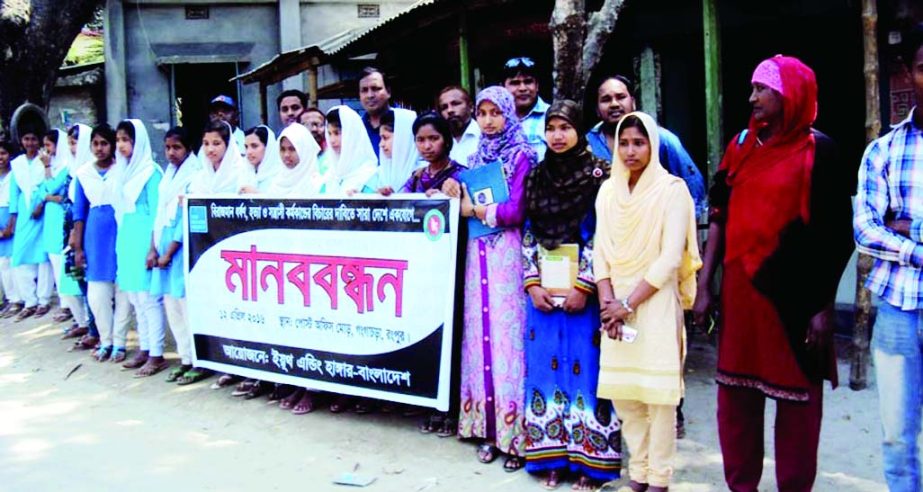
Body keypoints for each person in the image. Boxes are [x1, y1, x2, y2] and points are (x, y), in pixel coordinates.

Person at [693, 56, 854, 492]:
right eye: (752, 89)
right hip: (742, 296)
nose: (753, 98)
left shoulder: (820, 151)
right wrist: (705, 285)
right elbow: (720, 216)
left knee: (798, 408)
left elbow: (836, 237)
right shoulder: (742, 144)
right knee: (737, 404)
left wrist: (824, 308)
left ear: (790, 94)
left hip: (794, 301)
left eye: (762, 89)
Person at [594, 112, 701, 492]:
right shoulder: (608, 191)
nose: (630, 151)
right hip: (614, 307)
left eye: (639, 143)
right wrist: (608, 302)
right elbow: (600, 251)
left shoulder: (672, 190)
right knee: (625, 396)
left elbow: (671, 258)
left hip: (653, 303)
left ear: (653, 145)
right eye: (623, 143)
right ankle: (637, 473)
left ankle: (659, 479)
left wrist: (627, 303)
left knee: (659, 399)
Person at [521, 100, 620, 490]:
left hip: (587, 293)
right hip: (543, 292)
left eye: (565, 127)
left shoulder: (600, 176)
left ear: (579, 130)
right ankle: (551, 457)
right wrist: (532, 283)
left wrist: (585, 284)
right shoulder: (538, 176)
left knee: (589, 371)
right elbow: (528, 232)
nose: (557, 135)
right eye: (551, 128)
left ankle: (591, 463)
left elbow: (606, 234)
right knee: (546, 368)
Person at [854, 25, 923, 492]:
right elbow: (865, 229)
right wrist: (917, 249)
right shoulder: (884, 148)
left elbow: (887, 226)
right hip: (898, 309)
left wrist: (905, 225)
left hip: (901, 279)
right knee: (898, 436)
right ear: (909, 73)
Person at [456, 86, 536, 472]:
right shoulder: (474, 157)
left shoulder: (523, 154)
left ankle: (516, 437)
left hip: (508, 254)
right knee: (481, 337)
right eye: (482, 113)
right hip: (479, 256)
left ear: (508, 114)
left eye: (495, 113)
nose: (488, 120)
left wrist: (477, 210)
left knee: (507, 340)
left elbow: (517, 209)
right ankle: (488, 430)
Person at [587, 75, 708, 217]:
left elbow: (692, 184)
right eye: (606, 99)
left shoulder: (661, 139)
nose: (614, 104)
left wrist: (681, 227)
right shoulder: (588, 144)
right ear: (597, 109)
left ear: (633, 102)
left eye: (621, 97)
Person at [189, 121, 248, 391]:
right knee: (219, 309)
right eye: (206, 143)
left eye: (216, 143)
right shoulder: (201, 176)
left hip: (237, 253)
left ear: (228, 145)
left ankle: (246, 366)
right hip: (209, 251)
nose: (210, 149)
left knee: (240, 310)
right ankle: (226, 364)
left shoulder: (239, 173)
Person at [150, 127, 207, 384]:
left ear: (188, 149)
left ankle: (198, 359)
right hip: (163, 244)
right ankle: (184, 358)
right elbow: (159, 215)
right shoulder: (168, 176)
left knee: (187, 306)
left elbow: (184, 219)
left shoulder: (194, 176)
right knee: (171, 305)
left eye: (177, 148)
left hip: (181, 247)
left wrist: (169, 251)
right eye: (168, 147)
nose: (171, 153)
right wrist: (153, 248)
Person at [72, 124, 132, 363]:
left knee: (123, 289)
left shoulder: (123, 169)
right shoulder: (83, 173)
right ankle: (105, 340)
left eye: (104, 143)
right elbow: (79, 212)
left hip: (121, 229)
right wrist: (78, 247)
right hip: (95, 235)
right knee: (98, 293)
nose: (99, 148)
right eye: (95, 144)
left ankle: (120, 342)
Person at [113, 119, 167, 376]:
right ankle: (144, 348)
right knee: (135, 298)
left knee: (149, 299)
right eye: (119, 140)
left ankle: (156, 353)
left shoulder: (151, 172)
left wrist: (152, 247)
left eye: (127, 140)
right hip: (128, 237)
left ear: (139, 142)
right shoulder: (124, 171)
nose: (122, 145)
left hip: (146, 238)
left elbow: (158, 212)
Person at [38, 129, 89, 336]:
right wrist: (50, 196)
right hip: (66, 230)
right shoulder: (70, 170)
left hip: (80, 231)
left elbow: (49, 189)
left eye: (75, 142)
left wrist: (48, 191)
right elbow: (44, 191)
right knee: (70, 278)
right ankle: (82, 323)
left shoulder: (80, 170)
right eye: (69, 143)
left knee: (84, 282)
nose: (72, 148)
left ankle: (90, 325)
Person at [9, 127, 53, 321]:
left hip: (42, 211)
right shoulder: (16, 163)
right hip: (24, 213)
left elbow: (48, 183)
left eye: (33, 139)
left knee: (43, 257)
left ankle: (43, 300)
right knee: (19, 257)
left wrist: (41, 203)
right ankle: (29, 300)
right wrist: (13, 218)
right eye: (26, 139)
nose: (30, 143)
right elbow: (14, 192)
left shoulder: (44, 159)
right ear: (21, 141)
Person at [321, 106, 379, 195]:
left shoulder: (371, 177)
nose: (332, 140)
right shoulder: (327, 174)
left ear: (352, 134)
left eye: (337, 133)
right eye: (329, 133)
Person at [502, 56, 549, 161]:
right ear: (503, 87)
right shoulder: (496, 119)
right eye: (515, 83)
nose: (522, 88)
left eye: (528, 82)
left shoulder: (551, 116)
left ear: (537, 86)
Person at [376, 108, 420, 191]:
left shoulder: (425, 174)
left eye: (385, 138)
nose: (380, 144)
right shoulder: (378, 174)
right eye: (380, 138)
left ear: (403, 137)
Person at [437, 85, 480, 165]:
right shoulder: (438, 142)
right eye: (444, 107)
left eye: (455, 104)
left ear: (471, 107)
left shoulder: (485, 137)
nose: (450, 110)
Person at [0, 141, 19, 316]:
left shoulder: (14, 175)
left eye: (3, 153)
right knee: (3, 264)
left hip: (11, 219)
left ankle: (18, 300)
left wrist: (11, 224)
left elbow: (14, 201)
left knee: (14, 262)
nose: (0, 158)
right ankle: (10, 298)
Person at [358, 67, 392, 156]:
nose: (370, 95)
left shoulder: (405, 123)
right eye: (364, 90)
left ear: (388, 92)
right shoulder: (357, 128)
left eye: (375, 88)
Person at [239, 125, 282, 194]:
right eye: (246, 147)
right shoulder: (243, 171)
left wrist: (257, 195)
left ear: (268, 147)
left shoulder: (280, 175)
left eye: (254, 146)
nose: (248, 152)